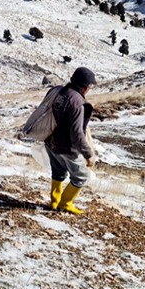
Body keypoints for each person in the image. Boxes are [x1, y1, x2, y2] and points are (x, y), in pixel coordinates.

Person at [45, 67, 97, 214]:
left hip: (50, 140)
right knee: (81, 176)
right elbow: (77, 135)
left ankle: (54, 202)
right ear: (86, 87)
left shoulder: (58, 91)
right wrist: (88, 154)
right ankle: (65, 204)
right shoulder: (77, 103)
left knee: (58, 171)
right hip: (66, 146)